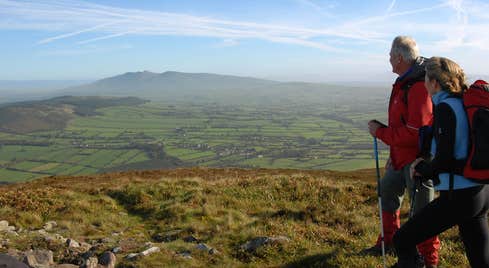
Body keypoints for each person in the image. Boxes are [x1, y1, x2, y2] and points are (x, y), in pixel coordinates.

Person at [392, 57, 489, 268]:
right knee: (480, 259)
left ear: (435, 82)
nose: (424, 83)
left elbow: (445, 160)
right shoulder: (464, 102)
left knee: (402, 240)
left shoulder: (445, 107)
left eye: (426, 78)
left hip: (458, 196)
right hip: (480, 193)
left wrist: (422, 169)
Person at [365, 36, 440, 267]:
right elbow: (402, 126)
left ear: (399, 57)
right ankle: (389, 243)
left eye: (390, 54)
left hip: (418, 162)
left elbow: (413, 133)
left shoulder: (417, 86)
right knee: (387, 192)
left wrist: (379, 133)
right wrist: (393, 155)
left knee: (422, 214)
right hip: (400, 159)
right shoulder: (404, 83)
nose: (388, 58)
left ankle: (429, 261)